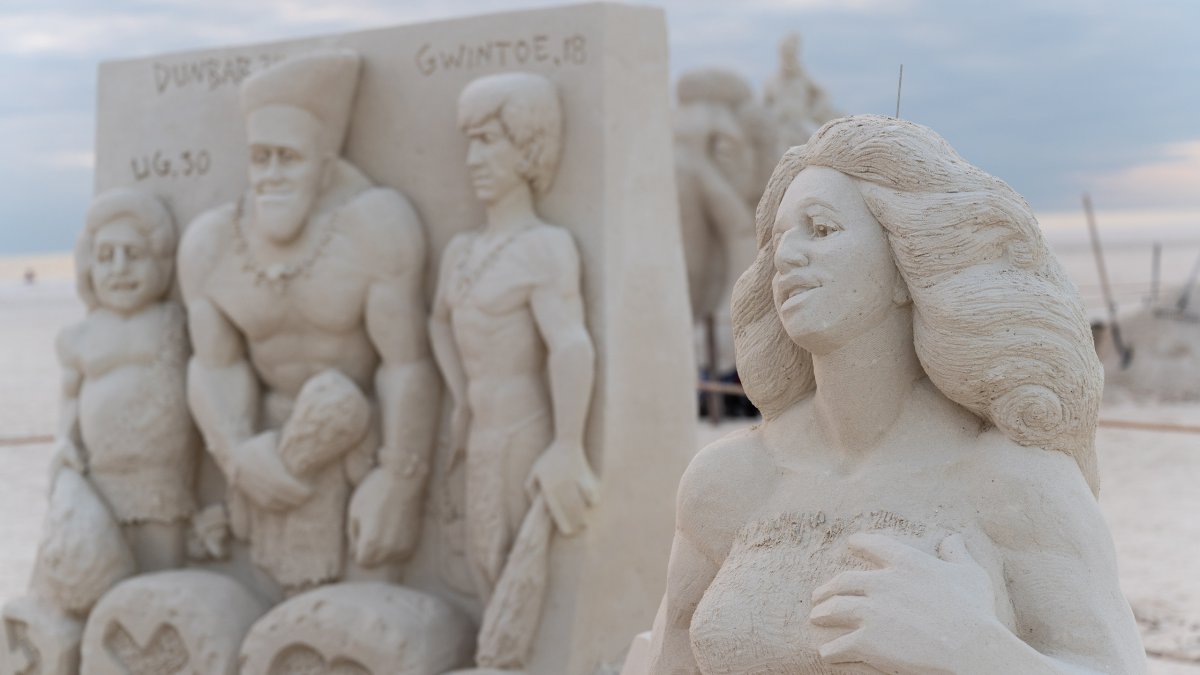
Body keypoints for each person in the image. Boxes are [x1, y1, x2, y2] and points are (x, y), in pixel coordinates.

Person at [645, 115, 1146, 674]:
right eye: (780, 236)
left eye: (822, 228)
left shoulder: (1014, 484)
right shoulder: (728, 481)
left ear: (906, 263)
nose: (786, 256)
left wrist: (976, 651)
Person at [179, 49, 439, 596]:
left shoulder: (375, 226)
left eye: (288, 158)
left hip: (356, 451)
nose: (270, 175)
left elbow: (406, 365)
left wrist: (400, 481)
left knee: (360, 614)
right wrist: (234, 454)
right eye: (260, 157)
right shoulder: (211, 243)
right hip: (262, 455)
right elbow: (213, 363)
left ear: (325, 164)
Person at [430, 72, 597, 668]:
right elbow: (437, 322)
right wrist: (461, 398)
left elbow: (570, 344)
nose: (473, 157)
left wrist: (568, 444)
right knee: (480, 563)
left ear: (528, 147)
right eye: (468, 141)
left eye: (488, 140)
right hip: (477, 434)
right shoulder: (463, 251)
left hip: (520, 436)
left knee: (512, 570)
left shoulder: (544, 246)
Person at [54, 187, 197, 571]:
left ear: (160, 263)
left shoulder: (171, 323)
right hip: (101, 478)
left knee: (162, 573)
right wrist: (63, 441)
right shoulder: (80, 336)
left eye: (133, 255)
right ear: (88, 267)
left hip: (158, 479)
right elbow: (70, 396)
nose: (118, 268)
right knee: (105, 570)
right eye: (105, 257)